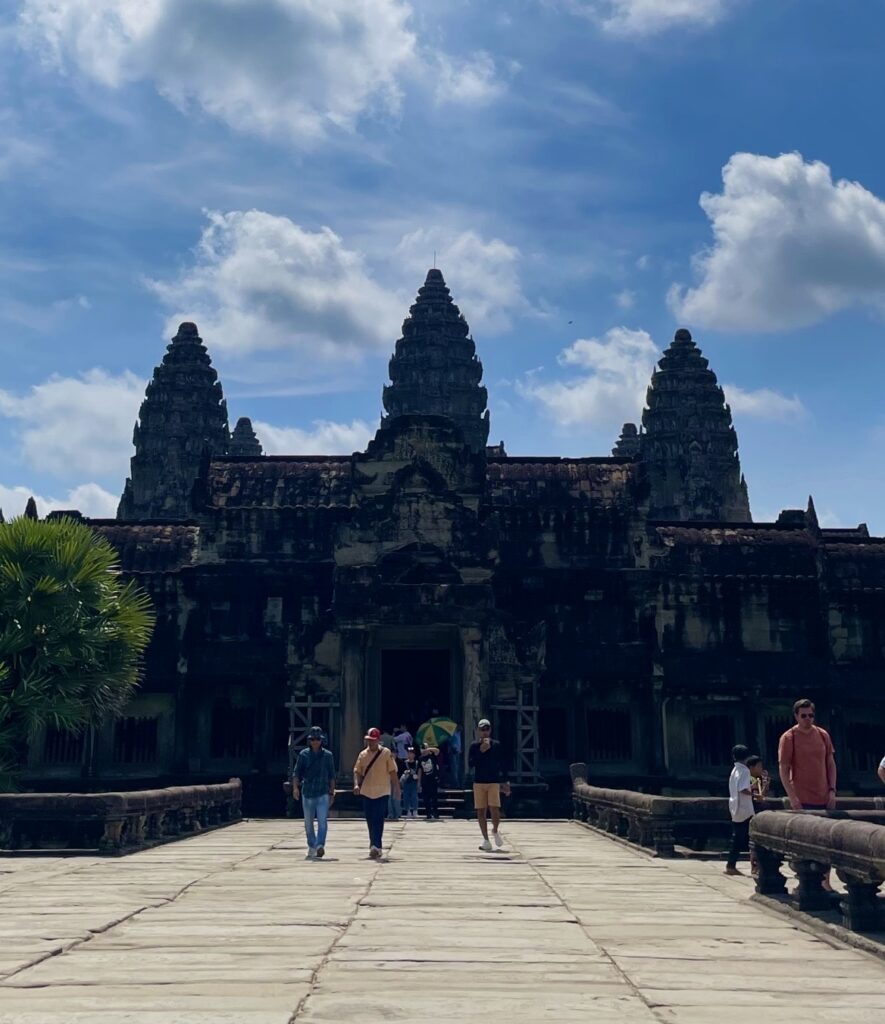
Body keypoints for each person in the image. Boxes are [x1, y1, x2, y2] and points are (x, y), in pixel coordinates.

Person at [778, 700, 837, 811]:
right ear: (796, 716)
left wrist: (832, 790)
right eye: (803, 716)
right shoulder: (789, 737)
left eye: (810, 715)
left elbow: (831, 764)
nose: (807, 718)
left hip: (824, 797)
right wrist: (792, 798)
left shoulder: (823, 735)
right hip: (801, 799)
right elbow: (783, 769)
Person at [353, 727, 401, 859]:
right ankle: (373, 844)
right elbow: (357, 771)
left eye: (373, 740)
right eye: (369, 740)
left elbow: (392, 771)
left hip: (382, 791)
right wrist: (356, 784)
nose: (371, 743)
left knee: (379, 818)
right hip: (367, 791)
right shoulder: (363, 754)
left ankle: (376, 845)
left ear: (378, 740)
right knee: (370, 819)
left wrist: (397, 788)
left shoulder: (386, 753)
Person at [290, 726, 336, 861]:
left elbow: (332, 775)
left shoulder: (328, 755)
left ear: (321, 740)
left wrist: (332, 792)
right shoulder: (303, 755)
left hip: (322, 792)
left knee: (322, 821)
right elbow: (296, 773)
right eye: (313, 739)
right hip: (308, 792)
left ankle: (320, 844)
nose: (315, 742)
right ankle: (312, 845)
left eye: (317, 739)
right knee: (308, 823)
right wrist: (295, 788)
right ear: (310, 741)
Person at [469, 718, 511, 852]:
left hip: (493, 781)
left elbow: (503, 763)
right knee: (481, 810)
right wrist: (481, 751)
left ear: (490, 730)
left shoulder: (496, 745)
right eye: (482, 729)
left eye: (487, 729)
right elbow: (471, 764)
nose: (485, 732)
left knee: (495, 808)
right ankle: (486, 839)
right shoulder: (474, 746)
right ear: (478, 731)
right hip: (479, 781)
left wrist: (506, 781)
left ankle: (495, 830)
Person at [725, 744, 754, 876]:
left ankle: (731, 864)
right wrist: (754, 793)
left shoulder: (734, 770)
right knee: (750, 837)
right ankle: (753, 864)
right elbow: (743, 789)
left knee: (737, 837)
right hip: (744, 808)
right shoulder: (745, 771)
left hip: (735, 806)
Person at [746, 753, 769, 876]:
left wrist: (765, 784)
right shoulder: (749, 779)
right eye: (758, 766)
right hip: (752, 810)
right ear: (751, 767)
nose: (761, 769)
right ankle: (754, 866)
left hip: (760, 809)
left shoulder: (758, 779)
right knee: (753, 841)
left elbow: (762, 795)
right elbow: (755, 796)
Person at [419, 742, 442, 820]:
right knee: (426, 798)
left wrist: (428, 749)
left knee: (434, 797)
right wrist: (419, 782)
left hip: (433, 779)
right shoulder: (420, 758)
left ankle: (436, 813)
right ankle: (428, 813)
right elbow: (420, 770)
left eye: (425, 748)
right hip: (425, 780)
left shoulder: (432, 756)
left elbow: (437, 751)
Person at [400, 745, 421, 819]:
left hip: (414, 782)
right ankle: (408, 811)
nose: (410, 755)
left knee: (414, 797)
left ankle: (415, 811)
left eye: (411, 753)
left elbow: (419, 772)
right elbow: (401, 772)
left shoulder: (417, 763)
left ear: (414, 754)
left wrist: (419, 782)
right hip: (406, 782)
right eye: (409, 753)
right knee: (406, 797)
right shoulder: (404, 763)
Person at [448, 724, 463, 789]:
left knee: (458, 768)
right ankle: (456, 784)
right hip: (454, 752)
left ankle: (458, 783)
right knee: (454, 768)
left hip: (458, 752)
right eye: (460, 727)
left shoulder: (459, 734)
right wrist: (453, 748)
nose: (462, 728)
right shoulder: (453, 734)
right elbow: (449, 741)